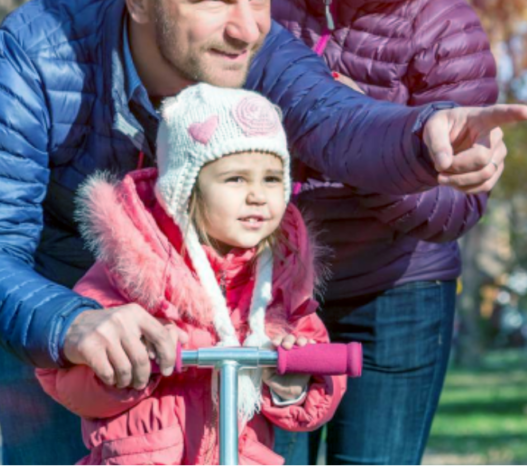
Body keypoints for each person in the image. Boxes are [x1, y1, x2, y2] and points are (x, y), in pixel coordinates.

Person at [0, 0, 527, 466]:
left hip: (210, 309)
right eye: (215, 0)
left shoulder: (258, 50)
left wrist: (424, 135)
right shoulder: (34, 57)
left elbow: (338, 121)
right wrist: (68, 321)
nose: (247, 28)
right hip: (58, 287)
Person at [271, 0, 497, 464]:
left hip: (396, 295)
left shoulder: (448, 27)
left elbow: (458, 206)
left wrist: (368, 145)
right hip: (274, 293)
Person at [36, 84, 341, 465]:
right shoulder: (133, 270)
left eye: (271, 178)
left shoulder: (281, 281)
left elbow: (320, 367)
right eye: (236, 179)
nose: (258, 195)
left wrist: (290, 383)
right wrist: (130, 364)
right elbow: (66, 379)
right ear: (186, 189)